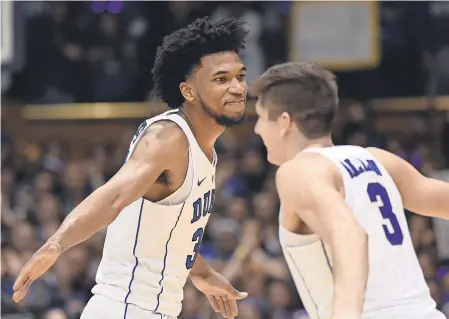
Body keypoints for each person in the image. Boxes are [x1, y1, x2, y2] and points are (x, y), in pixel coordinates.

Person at [12, 16, 249, 319]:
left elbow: (169, 234)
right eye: (221, 79)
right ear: (189, 92)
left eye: (240, 76)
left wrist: (201, 273)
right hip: (126, 309)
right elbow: (113, 197)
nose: (237, 87)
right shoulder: (168, 137)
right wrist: (57, 243)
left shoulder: (203, 148)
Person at [251, 61, 449, 319]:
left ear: (284, 122)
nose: (256, 128)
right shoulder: (377, 160)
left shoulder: (297, 171)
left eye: (260, 117)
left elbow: (349, 234)